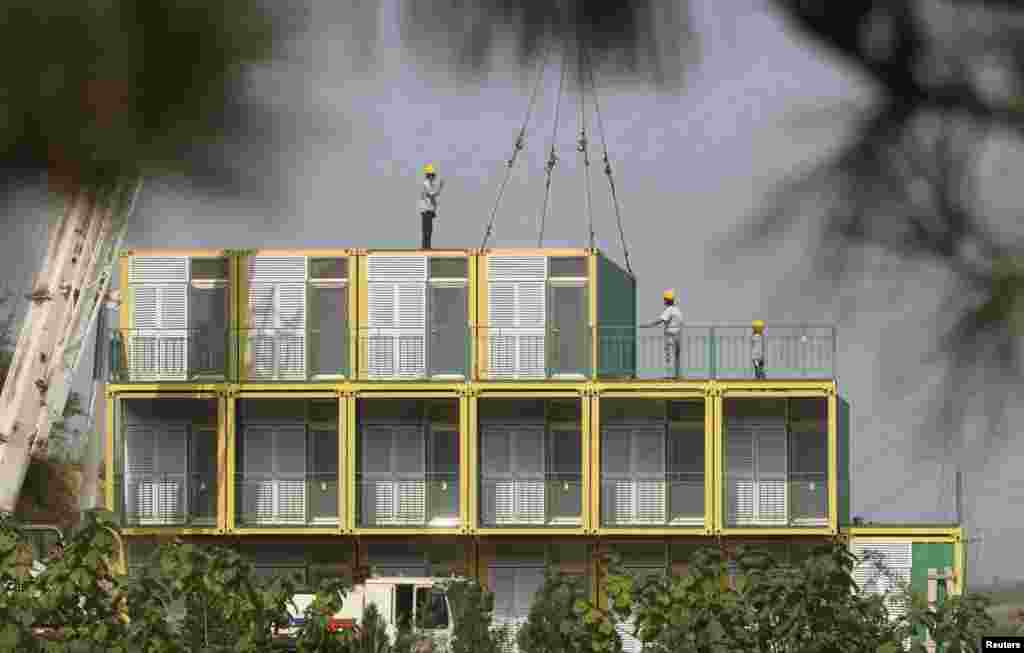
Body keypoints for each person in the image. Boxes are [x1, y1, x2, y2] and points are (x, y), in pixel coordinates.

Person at [644, 289, 683, 378]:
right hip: (678, 335)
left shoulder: (669, 310)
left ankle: (669, 375)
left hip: (670, 335)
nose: (664, 301)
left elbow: (661, 320)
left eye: (664, 299)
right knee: (676, 355)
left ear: (667, 300)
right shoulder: (677, 310)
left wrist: (649, 325)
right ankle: (677, 375)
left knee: (668, 356)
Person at [419, 163, 444, 249]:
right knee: (426, 231)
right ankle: (425, 248)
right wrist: (440, 187)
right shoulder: (426, 184)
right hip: (426, 211)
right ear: (429, 175)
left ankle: (427, 247)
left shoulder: (430, 184)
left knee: (429, 230)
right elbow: (432, 195)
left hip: (429, 211)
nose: (434, 177)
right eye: (433, 175)